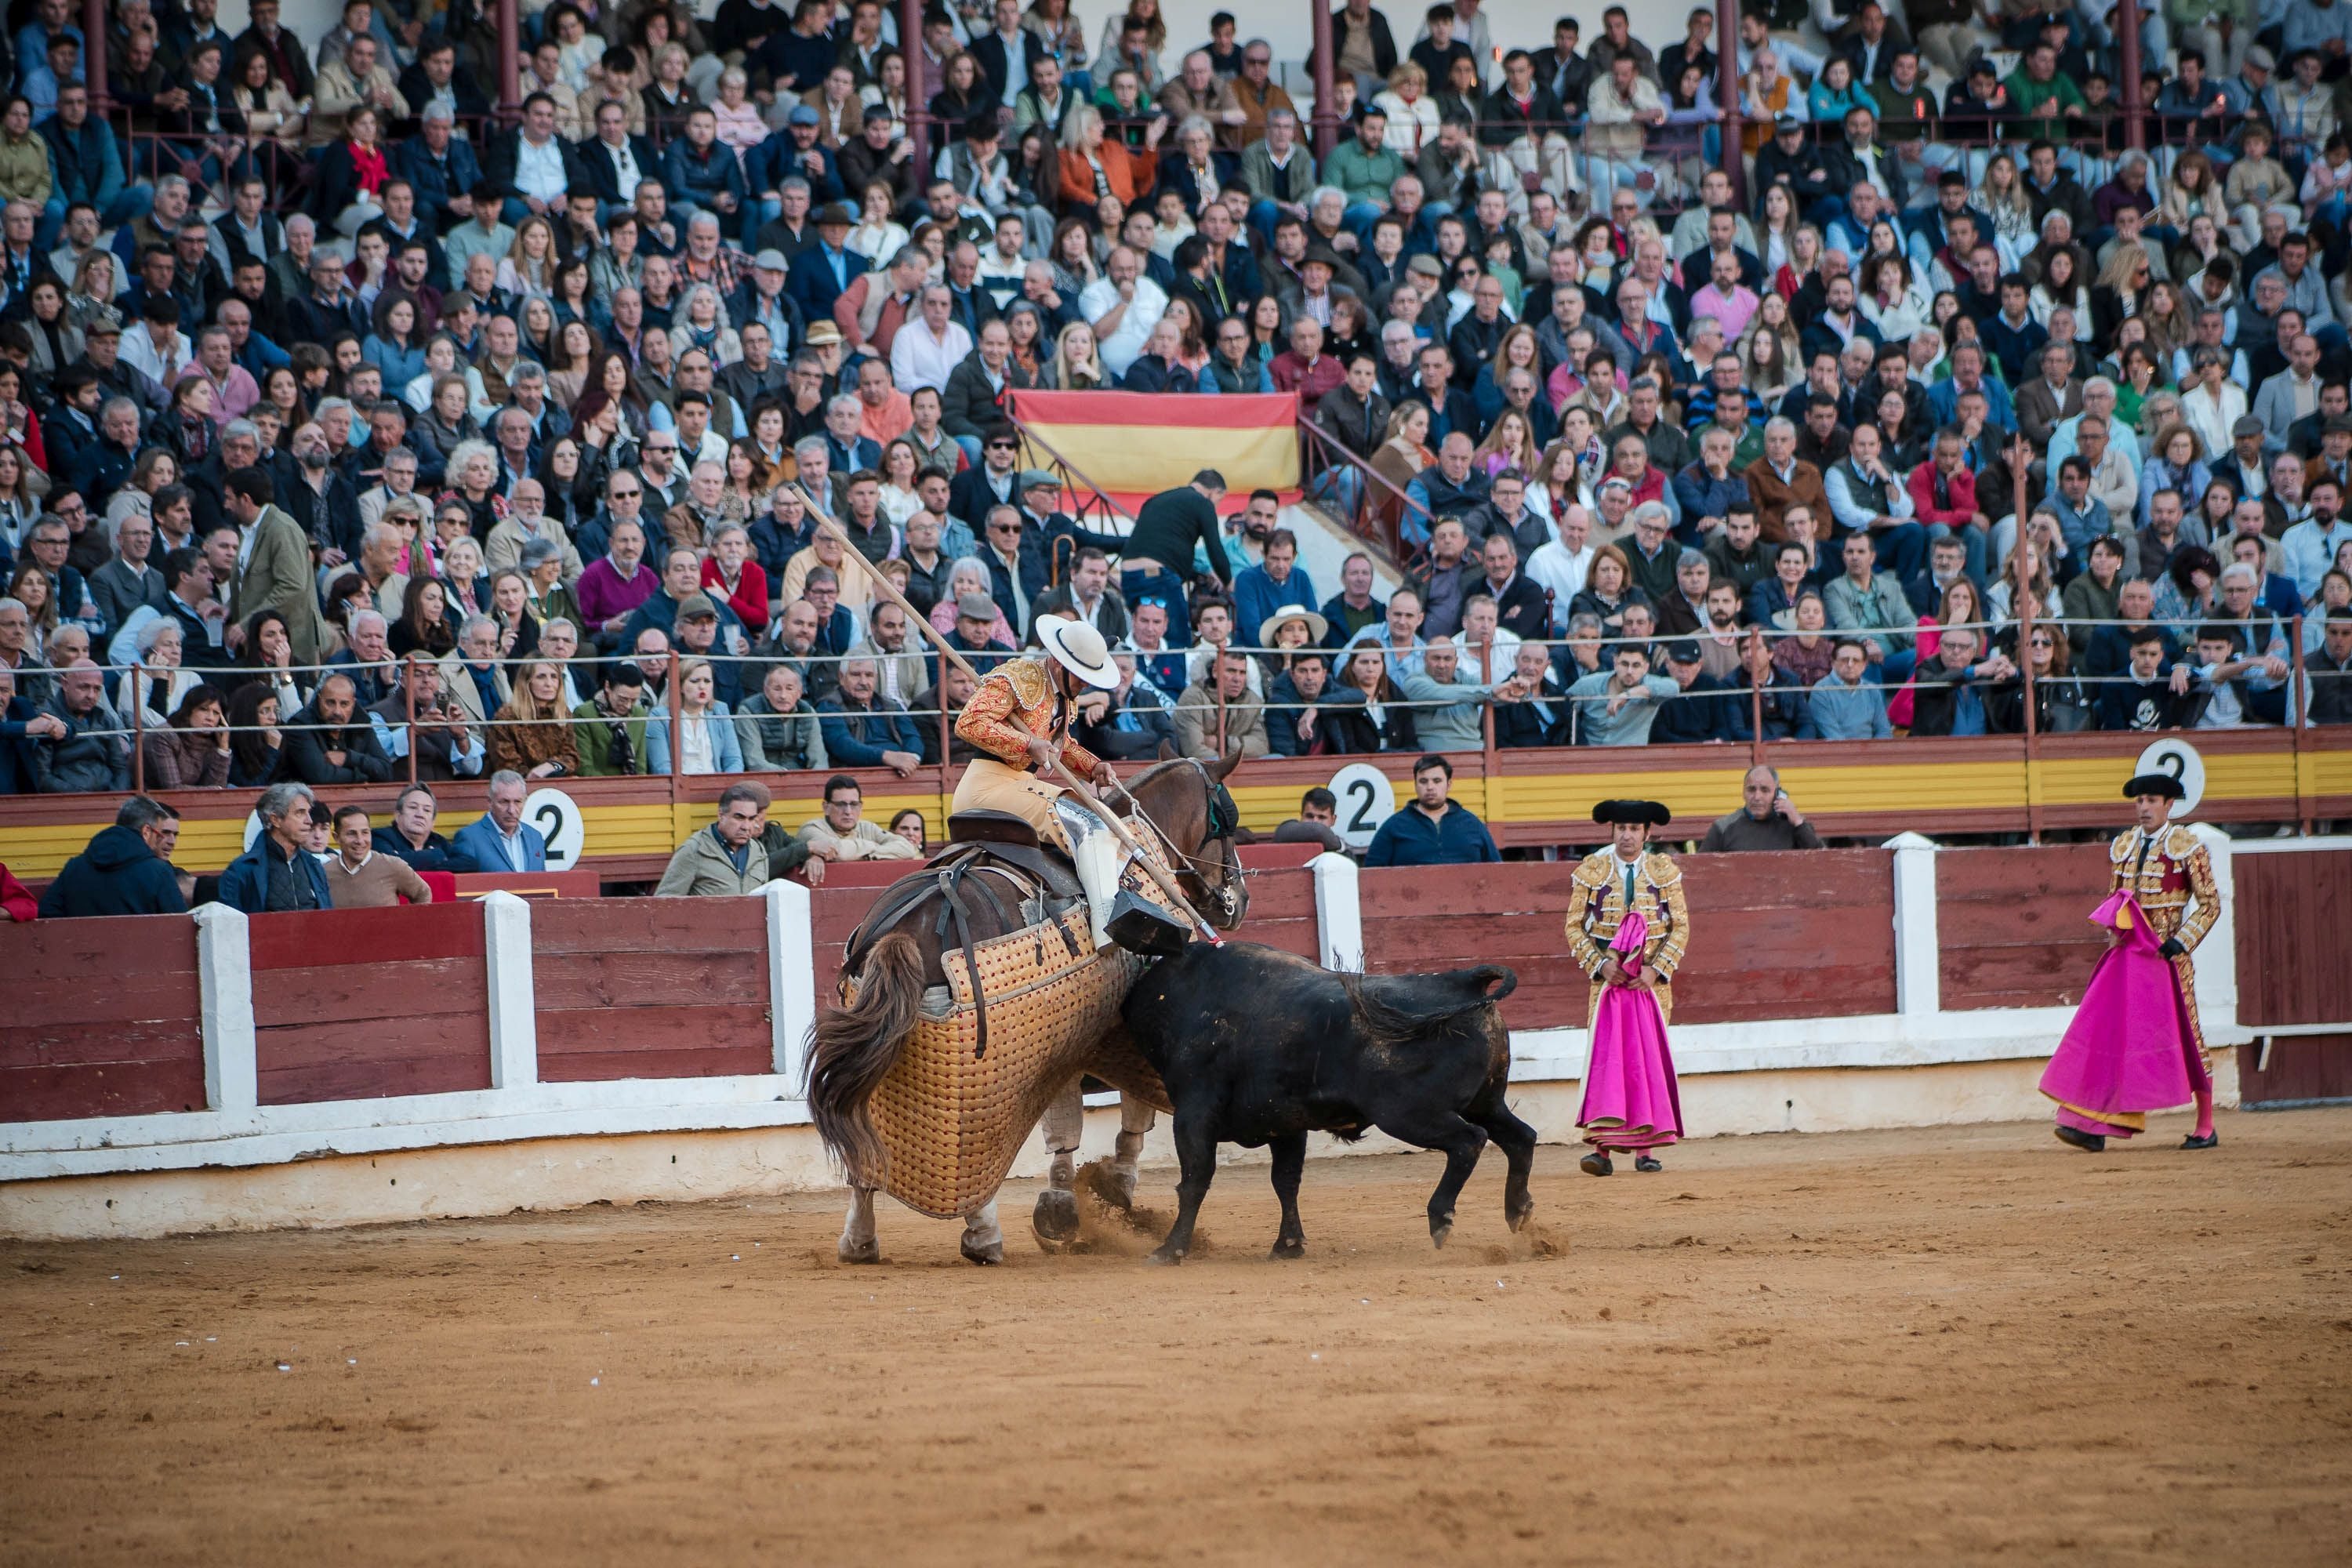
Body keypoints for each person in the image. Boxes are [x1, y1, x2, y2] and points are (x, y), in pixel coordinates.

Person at [2040, 772, 2223, 1153]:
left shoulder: (2187, 847)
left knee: (2188, 1038)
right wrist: (2113, 945)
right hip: (2129, 960)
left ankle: (2206, 1125)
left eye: (2152, 801)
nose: (2144, 808)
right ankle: (2092, 1124)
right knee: (2112, 1037)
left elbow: (2210, 905)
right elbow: (2115, 901)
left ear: (2170, 805)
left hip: (2168, 961)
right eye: (2139, 801)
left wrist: (2181, 942)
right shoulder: (2123, 845)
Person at [950, 612, 1125, 930]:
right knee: (1089, 821)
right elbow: (969, 722)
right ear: (1059, 663)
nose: (1086, 683)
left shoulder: (1063, 694)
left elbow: (1062, 746)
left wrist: (1094, 766)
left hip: (1018, 784)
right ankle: (1108, 926)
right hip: (988, 785)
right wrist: (1026, 744)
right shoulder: (1019, 676)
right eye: (1081, 674)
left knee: (1099, 816)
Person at [1564, 798, 1687, 1176]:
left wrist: (1655, 970)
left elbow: (1679, 927)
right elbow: (1573, 926)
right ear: (1612, 832)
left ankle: (1645, 1151)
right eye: (1621, 828)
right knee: (1608, 1063)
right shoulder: (1592, 870)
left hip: (1648, 986)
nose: (1627, 835)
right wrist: (1601, 964)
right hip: (1609, 987)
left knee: (1644, 1064)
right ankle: (1601, 1150)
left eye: (1635, 829)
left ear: (1648, 834)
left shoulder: (1664, 871)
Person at [35, 796, 187, 916]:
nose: (165, 841)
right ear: (146, 832)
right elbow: (178, 926)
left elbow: (47, 913)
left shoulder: (74, 867)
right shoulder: (159, 871)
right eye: (161, 834)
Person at [1363, 753, 1499, 866]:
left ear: (1449, 784)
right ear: (1415, 785)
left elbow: (1497, 870)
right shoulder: (1394, 826)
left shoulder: (1472, 824)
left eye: (1437, 781)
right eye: (1423, 781)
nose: (1430, 787)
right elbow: (1372, 875)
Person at [217, 781, 332, 912]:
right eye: (300, 813)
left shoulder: (314, 866)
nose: (309, 821)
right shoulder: (241, 870)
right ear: (275, 820)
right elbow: (229, 925)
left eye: (308, 813)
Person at [658, 779, 775, 895]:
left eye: (751, 819)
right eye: (739, 818)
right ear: (721, 815)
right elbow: (665, 902)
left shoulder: (758, 851)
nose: (746, 827)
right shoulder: (694, 850)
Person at [321, 804, 431, 907]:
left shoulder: (392, 866)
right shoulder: (323, 873)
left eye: (365, 832)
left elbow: (423, 893)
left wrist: (411, 924)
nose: (360, 840)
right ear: (336, 837)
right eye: (351, 833)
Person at [796, 772, 920, 862]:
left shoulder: (867, 828)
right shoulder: (811, 829)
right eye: (841, 804)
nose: (848, 811)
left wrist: (870, 856)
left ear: (860, 807)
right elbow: (840, 852)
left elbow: (907, 849)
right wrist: (873, 846)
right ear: (826, 807)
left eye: (854, 804)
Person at [1699, 764, 1824, 851]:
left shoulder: (1794, 826)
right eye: (1751, 790)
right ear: (1743, 793)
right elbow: (1698, 871)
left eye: (1765, 790)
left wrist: (1798, 822)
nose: (1757, 797)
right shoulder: (1723, 827)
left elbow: (1825, 861)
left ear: (1777, 793)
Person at [450, 770, 548, 873]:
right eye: (504, 802)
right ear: (490, 802)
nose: (512, 810)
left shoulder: (535, 837)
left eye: (518, 802)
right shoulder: (469, 838)